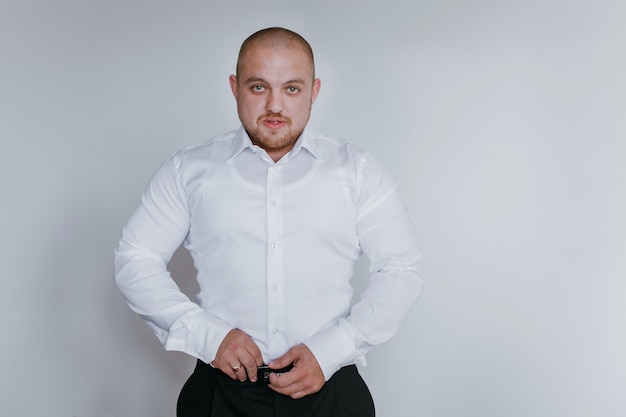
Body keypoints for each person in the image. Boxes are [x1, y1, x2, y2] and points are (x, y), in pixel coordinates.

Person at [114, 27, 423, 417]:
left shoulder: (359, 172)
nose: (275, 105)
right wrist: (207, 336)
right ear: (235, 87)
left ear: (314, 91)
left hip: (332, 395)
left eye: (291, 89)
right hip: (220, 396)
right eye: (259, 87)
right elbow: (134, 259)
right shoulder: (188, 171)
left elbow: (401, 268)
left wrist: (334, 348)